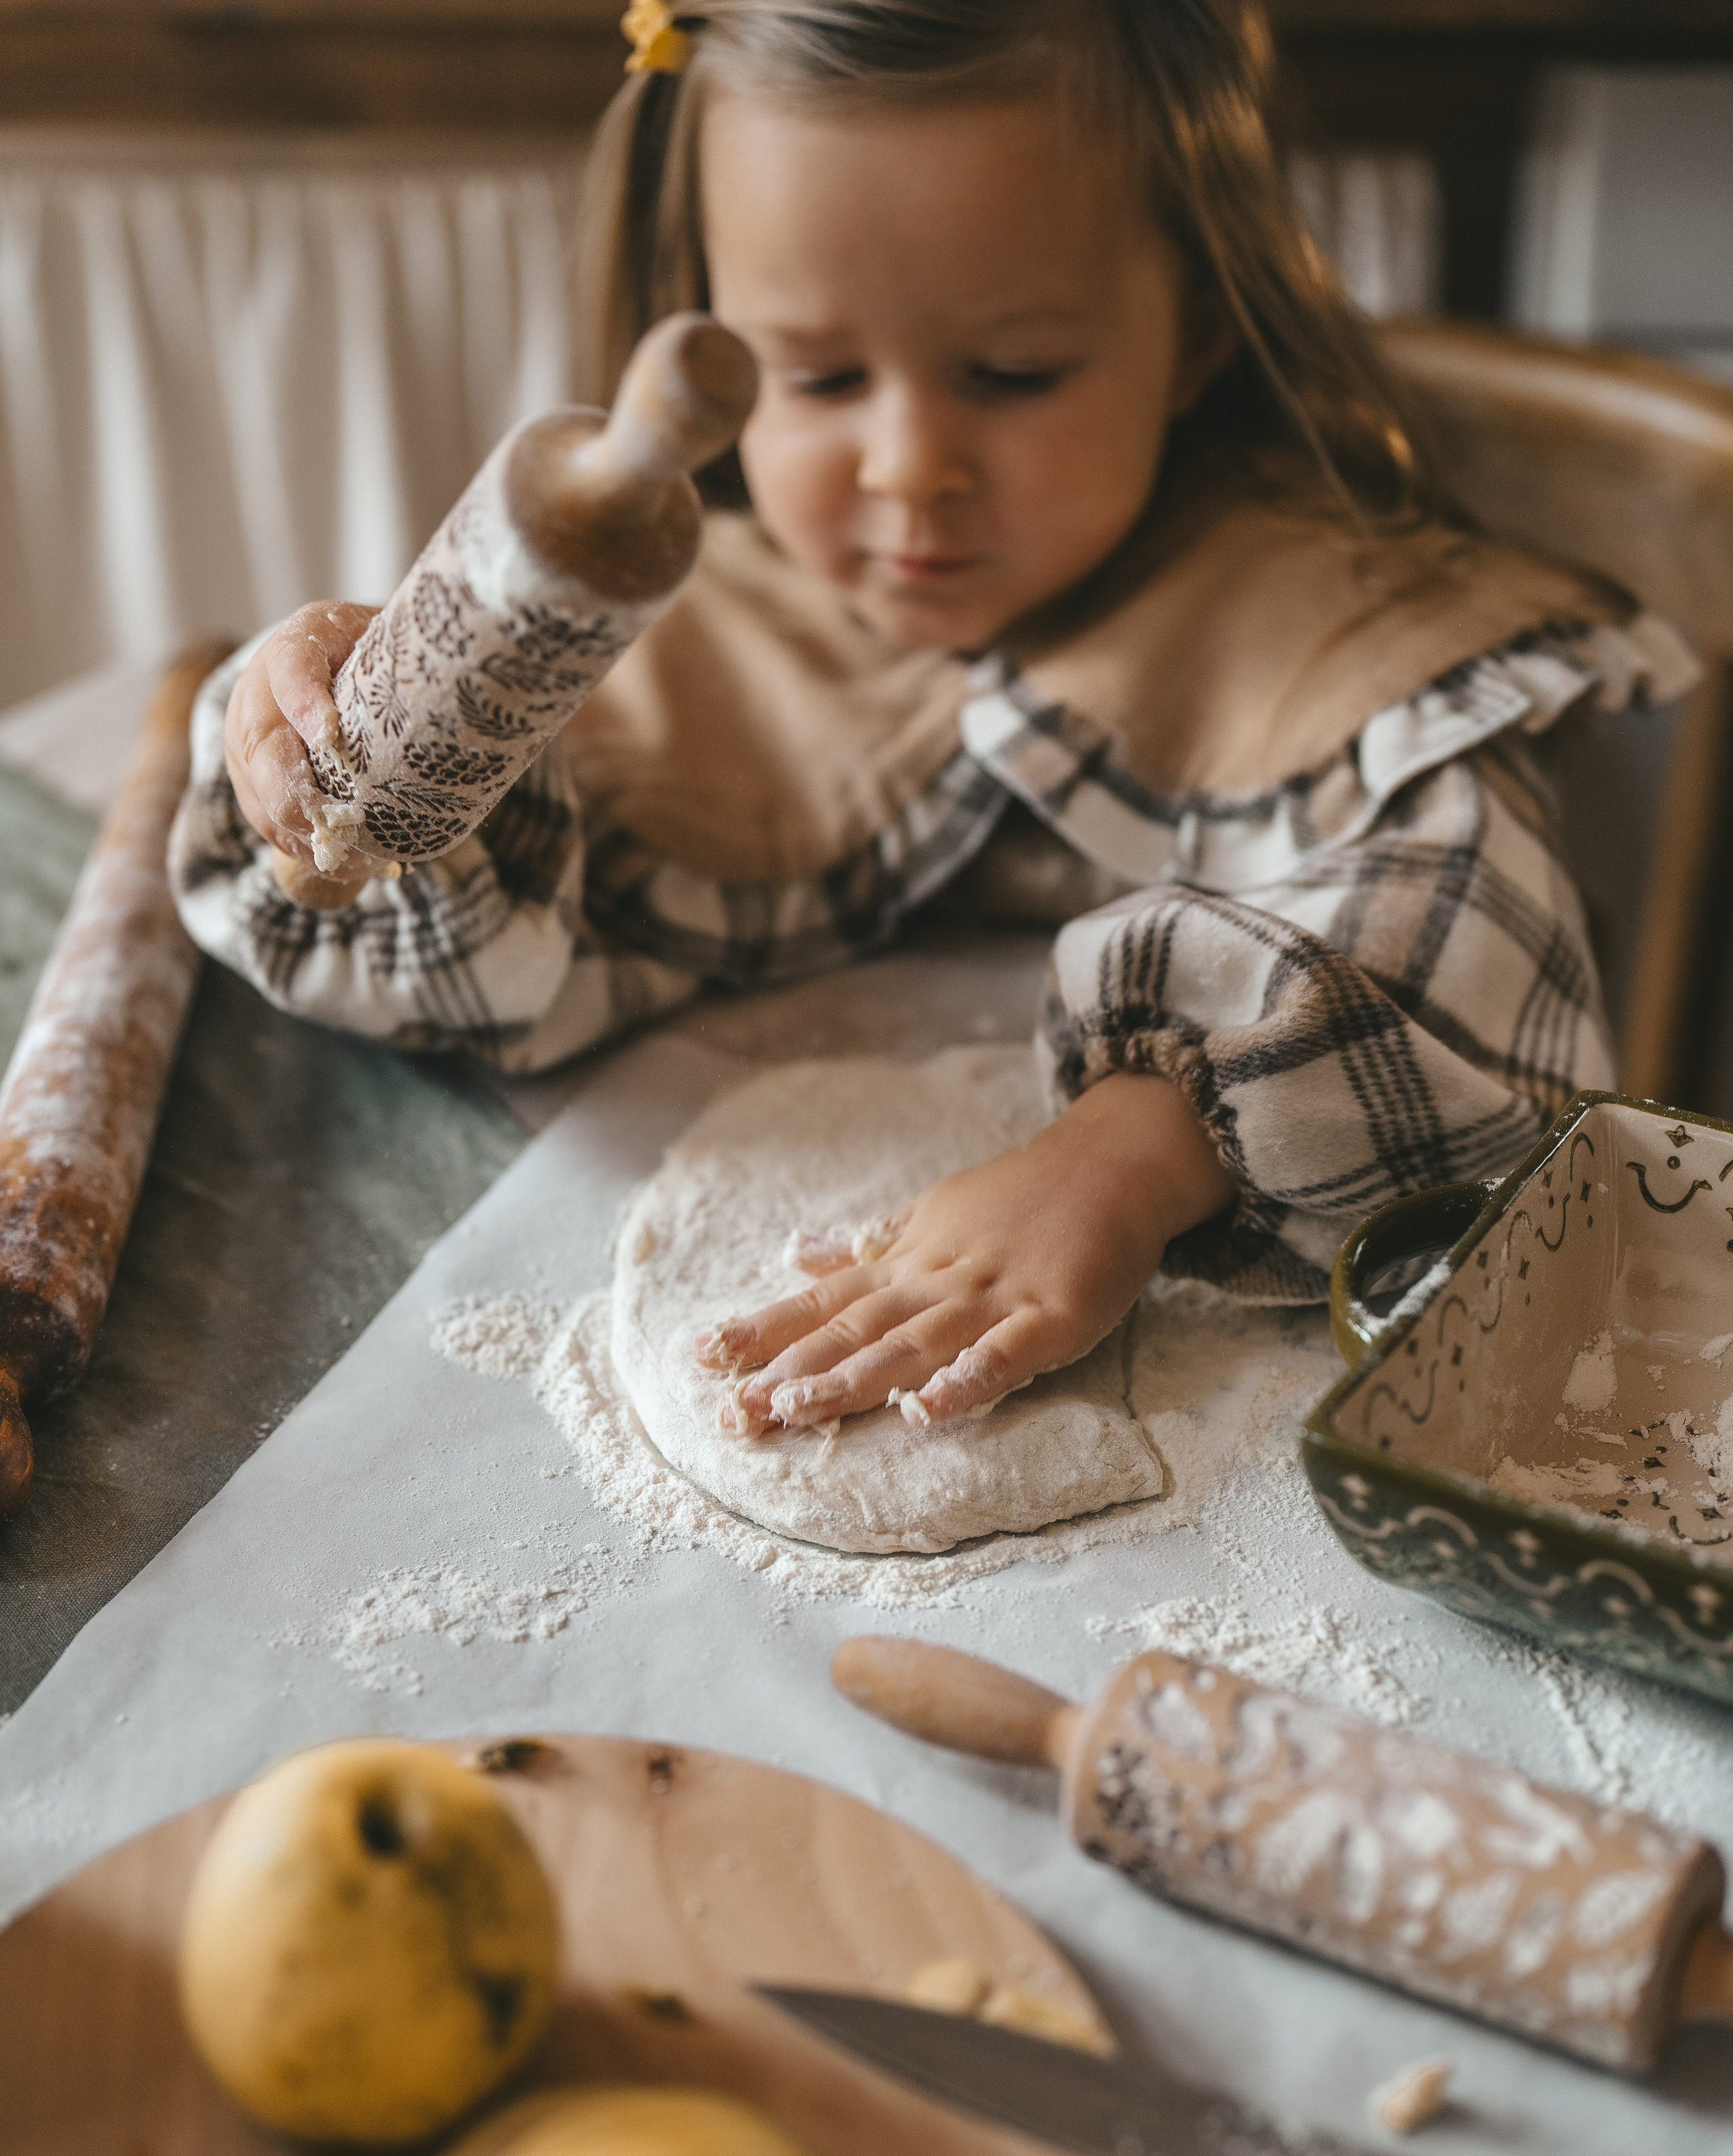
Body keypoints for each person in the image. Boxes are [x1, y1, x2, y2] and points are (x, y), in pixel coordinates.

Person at [172, 0, 1692, 1440]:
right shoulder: (688, 638)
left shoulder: (1332, 615)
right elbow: (436, 988)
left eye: (1014, 373)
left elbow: (1486, 952)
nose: (909, 469)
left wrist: (1143, 1143)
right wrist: (382, 728)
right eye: (816, 374)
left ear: (1194, 328)